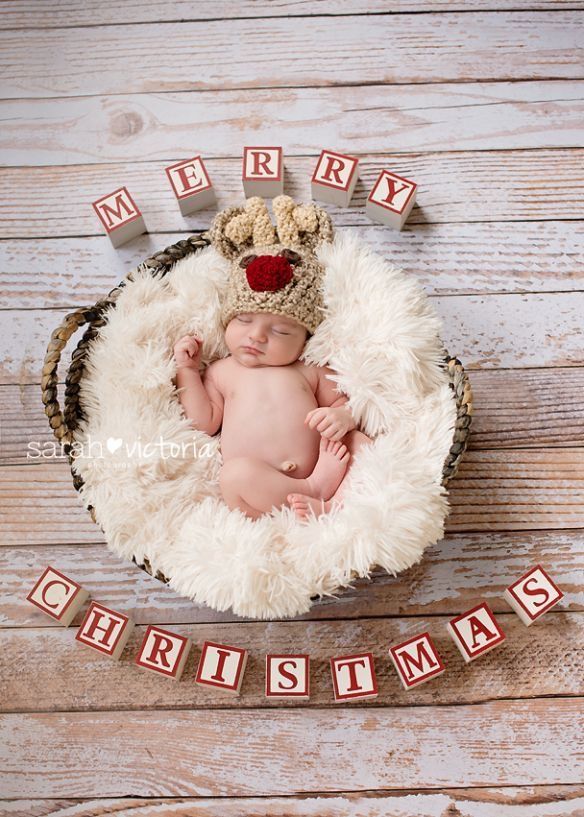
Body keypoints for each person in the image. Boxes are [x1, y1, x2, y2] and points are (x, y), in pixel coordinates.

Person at [173, 195, 373, 521]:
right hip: (260, 481)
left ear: (304, 339)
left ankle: (334, 504)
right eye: (244, 320)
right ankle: (314, 492)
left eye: (280, 331)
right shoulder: (223, 371)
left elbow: (342, 403)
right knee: (233, 476)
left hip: (325, 461)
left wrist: (343, 418)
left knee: (361, 443)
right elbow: (203, 420)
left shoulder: (309, 369)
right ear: (227, 321)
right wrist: (187, 370)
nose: (257, 336)